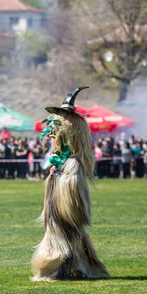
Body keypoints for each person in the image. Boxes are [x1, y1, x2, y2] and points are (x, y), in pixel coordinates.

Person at [31, 87, 109, 281]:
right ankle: (69, 267)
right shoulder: (62, 158)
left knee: (70, 237)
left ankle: (73, 267)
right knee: (64, 237)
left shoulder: (73, 162)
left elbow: (73, 188)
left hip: (67, 213)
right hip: (57, 213)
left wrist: (57, 175)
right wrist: (54, 175)